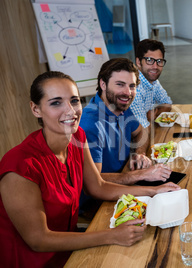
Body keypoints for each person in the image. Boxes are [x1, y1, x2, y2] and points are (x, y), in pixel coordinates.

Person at [0, 71, 180, 267]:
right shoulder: (19, 165)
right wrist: (112, 236)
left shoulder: (78, 137)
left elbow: (99, 186)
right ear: (35, 109)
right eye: (56, 103)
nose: (70, 111)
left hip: (71, 246)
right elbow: (38, 240)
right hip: (32, 259)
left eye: (74, 101)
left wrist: (155, 191)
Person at [80, 58, 172, 185]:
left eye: (132, 86)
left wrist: (139, 154)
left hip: (126, 177)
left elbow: (141, 131)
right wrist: (139, 175)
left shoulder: (120, 106)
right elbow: (93, 181)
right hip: (101, 199)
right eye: (120, 84)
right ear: (103, 84)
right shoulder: (90, 124)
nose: (128, 93)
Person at [129, 39, 172, 129]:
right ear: (138, 62)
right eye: (149, 60)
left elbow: (167, 102)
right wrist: (149, 118)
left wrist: (153, 113)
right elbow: (143, 131)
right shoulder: (134, 89)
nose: (155, 66)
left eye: (159, 61)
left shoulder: (153, 81)